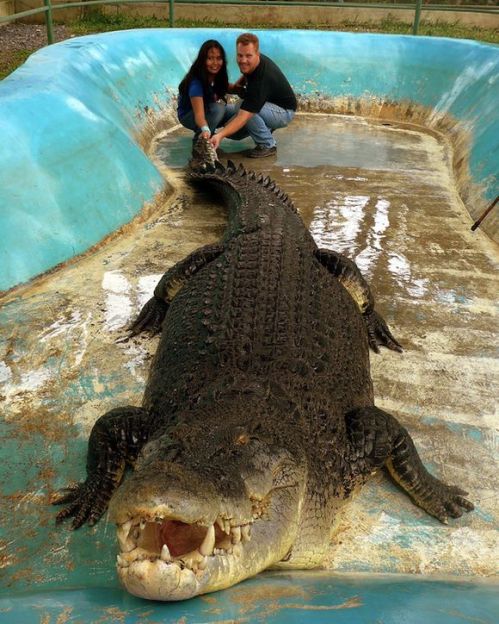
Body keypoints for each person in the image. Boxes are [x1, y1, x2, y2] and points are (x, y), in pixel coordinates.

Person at [210, 33, 297, 158]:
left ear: (257, 54)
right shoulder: (255, 64)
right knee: (229, 119)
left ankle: (268, 144)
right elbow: (247, 73)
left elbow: (244, 116)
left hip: (283, 112)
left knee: (241, 107)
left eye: (248, 56)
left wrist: (220, 136)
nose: (243, 60)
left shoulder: (262, 80)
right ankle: (264, 128)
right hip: (266, 105)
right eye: (240, 55)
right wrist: (235, 86)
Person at [177, 40, 231, 141]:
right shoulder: (195, 84)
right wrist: (205, 128)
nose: (215, 63)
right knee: (218, 109)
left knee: (234, 110)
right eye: (210, 58)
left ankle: (210, 133)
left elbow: (226, 87)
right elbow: (199, 115)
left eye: (219, 58)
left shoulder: (215, 76)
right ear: (202, 60)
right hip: (189, 115)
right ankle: (202, 140)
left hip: (205, 110)